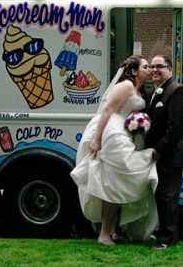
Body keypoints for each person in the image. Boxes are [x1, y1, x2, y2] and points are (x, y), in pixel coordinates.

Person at [70, 55, 158, 246]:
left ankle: (116, 230)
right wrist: (97, 138)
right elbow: (107, 110)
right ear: (134, 71)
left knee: (119, 180)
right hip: (112, 131)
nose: (150, 69)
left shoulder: (140, 90)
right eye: (146, 66)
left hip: (125, 133)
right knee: (113, 181)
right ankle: (104, 233)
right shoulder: (126, 85)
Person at [145, 55, 183, 250]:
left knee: (167, 196)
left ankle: (167, 239)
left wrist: (159, 149)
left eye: (159, 67)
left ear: (169, 70)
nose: (154, 70)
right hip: (156, 153)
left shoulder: (177, 90)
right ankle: (161, 233)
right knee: (160, 195)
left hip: (170, 154)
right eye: (152, 66)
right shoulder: (152, 91)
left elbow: (177, 126)